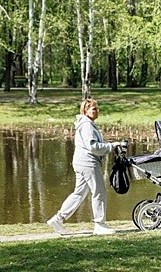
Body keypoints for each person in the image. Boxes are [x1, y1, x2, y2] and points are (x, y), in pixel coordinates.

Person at [47, 98, 121, 235]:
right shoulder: (87, 125)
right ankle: (100, 224)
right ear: (85, 111)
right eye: (94, 109)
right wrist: (111, 146)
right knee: (99, 191)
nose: (97, 111)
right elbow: (92, 146)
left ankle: (58, 219)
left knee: (79, 193)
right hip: (88, 163)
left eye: (97, 109)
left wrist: (109, 144)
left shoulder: (86, 123)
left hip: (81, 162)